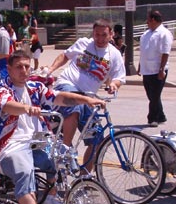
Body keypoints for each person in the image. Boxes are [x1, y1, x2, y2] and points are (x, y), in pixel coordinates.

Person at [0, 50, 105, 204]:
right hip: (9, 143)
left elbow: (59, 97)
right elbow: (6, 105)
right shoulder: (0, 89)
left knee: (62, 156)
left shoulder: (35, 87)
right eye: (19, 67)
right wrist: (26, 108)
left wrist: (86, 100)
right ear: (10, 69)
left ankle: (48, 196)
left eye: (27, 66)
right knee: (24, 171)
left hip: (35, 141)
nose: (24, 70)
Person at [46, 18, 126, 171]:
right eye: (97, 35)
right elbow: (65, 55)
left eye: (104, 35)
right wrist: (50, 69)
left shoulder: (114, 54)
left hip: (88, 96)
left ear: (111, 35)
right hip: (67, 85)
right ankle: (66, 151)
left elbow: (119, 77)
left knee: (96, 139)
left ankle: (85, 179)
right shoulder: (83, 43)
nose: (100, 39)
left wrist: (113, 85)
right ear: (93, 34)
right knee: (74, 108)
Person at [137, 10, 173, 127]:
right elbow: (143, 52)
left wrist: (162, 70)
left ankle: (153, 118)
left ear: (153, 20)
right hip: (146, 70)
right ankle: (161, 115)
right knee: (151, 95)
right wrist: (140, 66)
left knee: (155, 96)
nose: (147, 22)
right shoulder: (146, 34)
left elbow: (165, 53)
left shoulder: (164, 33)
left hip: (158, 70)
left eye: (148, 19)